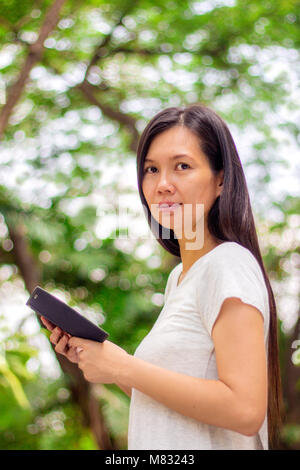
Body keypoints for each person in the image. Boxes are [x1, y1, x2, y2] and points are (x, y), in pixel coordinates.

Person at [41, 104, 283, 450]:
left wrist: (124, 367)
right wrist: (107, 362)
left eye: (182, 166)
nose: (162, 184)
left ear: (221, 179)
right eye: (151, 169)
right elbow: (174, 404)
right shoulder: (181, 279)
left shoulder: (228, 264)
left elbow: (245, 410)